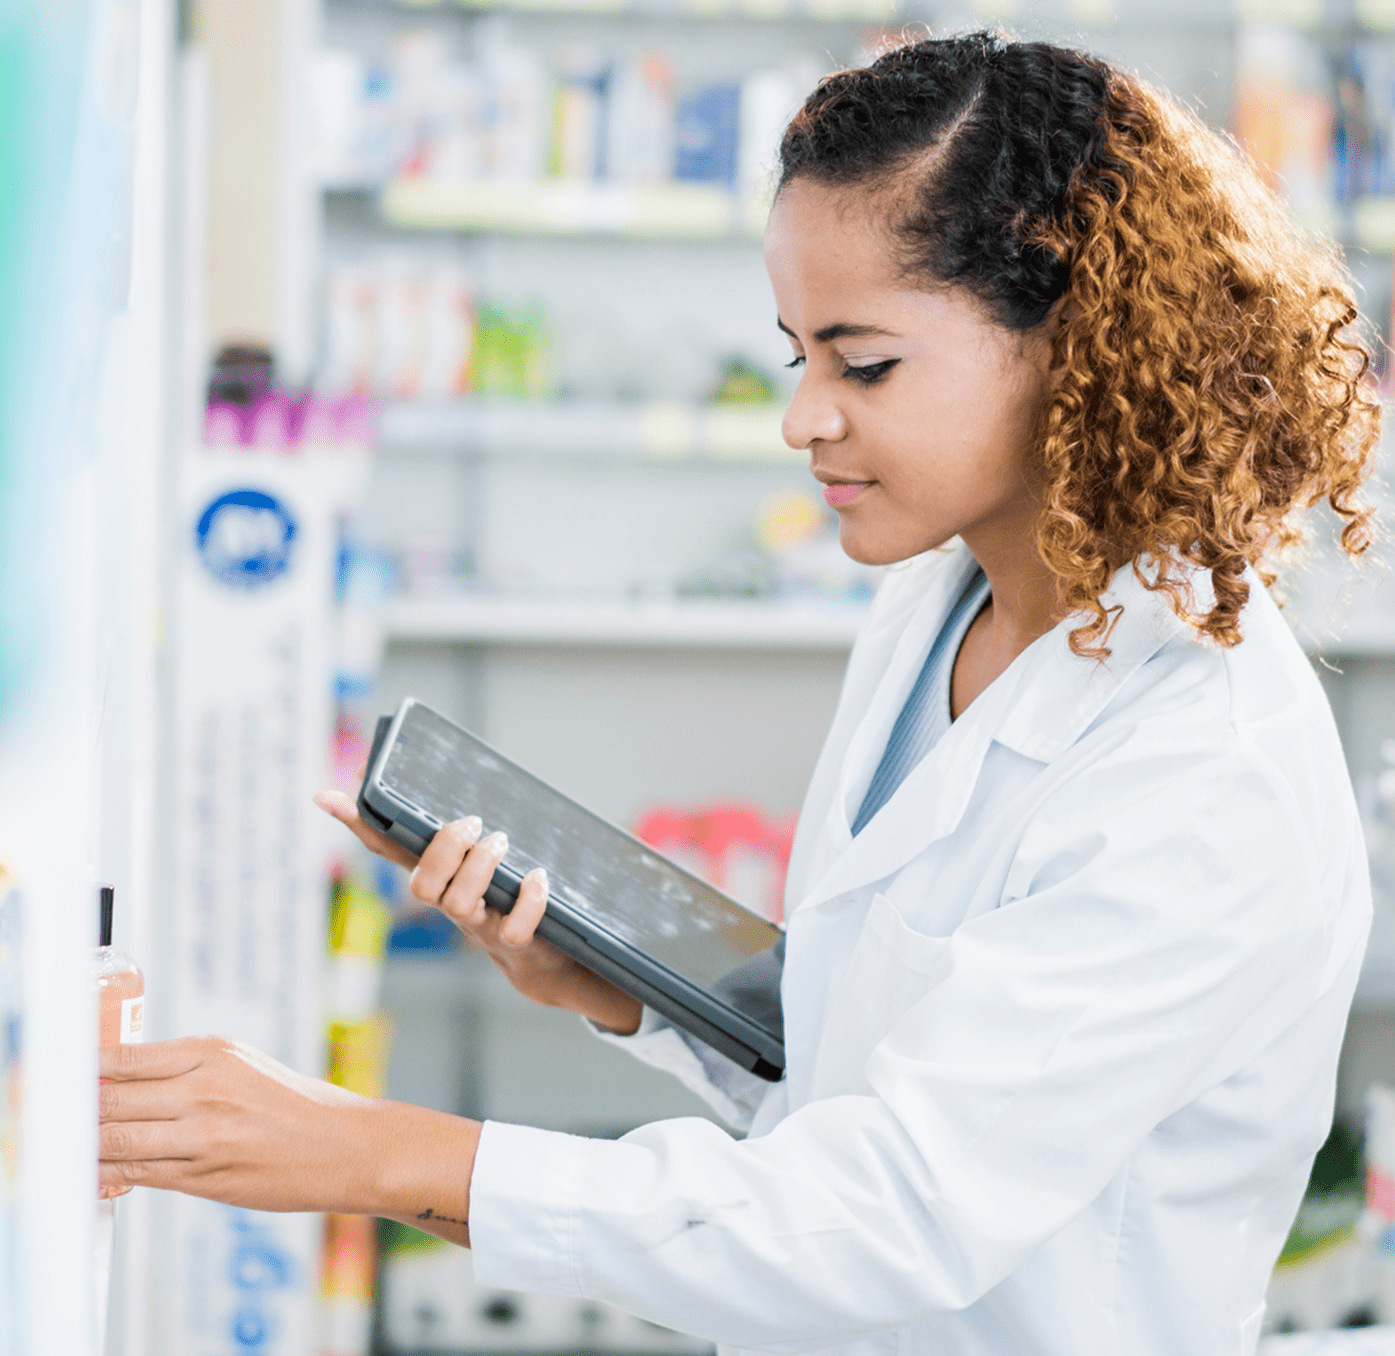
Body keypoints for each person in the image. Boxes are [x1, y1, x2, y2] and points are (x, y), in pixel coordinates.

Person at [99, 32, 1381, 1355]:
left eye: (862, 364)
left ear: (1074, 343)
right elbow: (856, 1063)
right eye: (795, 358)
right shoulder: (931, 609)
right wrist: (619, 984)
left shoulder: (1197, 769)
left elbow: (883, 1213)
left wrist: (369, 1154)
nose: (803, 418)